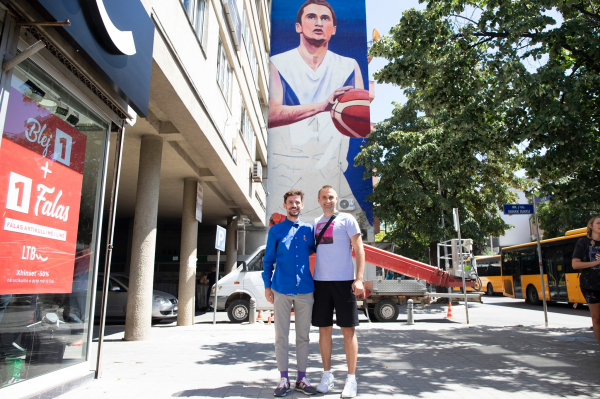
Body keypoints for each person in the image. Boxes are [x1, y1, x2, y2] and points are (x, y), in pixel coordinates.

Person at [268, 0, 365, 129]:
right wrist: (322, 106)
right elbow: (270, 115)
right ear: (298, 27)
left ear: (334, 29)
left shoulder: (349, 66)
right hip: (283, 149)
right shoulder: (277, 63)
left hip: (334, 149)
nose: (319, 23)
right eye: (311, 17)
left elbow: (362, 116)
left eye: (325, 18)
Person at [263, 190, 317, 396]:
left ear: (302, 205)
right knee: (281, 336)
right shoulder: (275, 231)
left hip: (305, 290)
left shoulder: (308, 230)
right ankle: (283, 379)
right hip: (281, 290)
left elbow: (316, 250)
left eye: (297, 202)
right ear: (285, 206)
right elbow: (268, 261)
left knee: (303, 336)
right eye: (290, 202)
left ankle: (301, 379)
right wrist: (267, 287)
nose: (294, 205)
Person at [312, 185, 365, 398]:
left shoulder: (347, 220)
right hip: (321, 283)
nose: (328, 200)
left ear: (336, 199)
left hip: (344, 283)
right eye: (324, 197)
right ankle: (327, 375)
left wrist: (359, 279)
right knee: (323, 330)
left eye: (331, 197)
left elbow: (360, 249)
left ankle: (351, 380)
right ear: (319, 200)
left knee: (348, 330)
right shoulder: (315, 223)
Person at [572, 215, 600, 346]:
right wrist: (595, 263)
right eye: (598, 223)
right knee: (597, 318)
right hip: (590, 285)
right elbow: (575, 264)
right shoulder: (583, 243)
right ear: (591, 226)